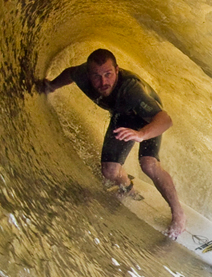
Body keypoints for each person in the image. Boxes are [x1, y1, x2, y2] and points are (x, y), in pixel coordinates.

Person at [37, 49, 186, 239]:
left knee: (148, 164)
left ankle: (178, 214)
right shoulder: (83, 74)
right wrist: (52, 86)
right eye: (96, 77)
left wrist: (141, 134)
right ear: (89, 74)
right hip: (123, 116)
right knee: (109, 172)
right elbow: (70, 73)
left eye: (108, 74)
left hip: (149, 118)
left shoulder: (131, 90)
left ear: (116, 70)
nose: (103, 82)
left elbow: (165, 120)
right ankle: (128, 188)